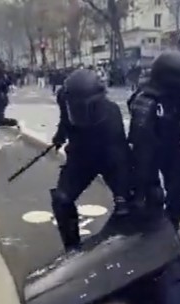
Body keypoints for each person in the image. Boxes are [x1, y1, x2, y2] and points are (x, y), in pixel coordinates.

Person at [50, 69, 132, 250]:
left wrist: (121, 196)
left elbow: (119, 158)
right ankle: (71, 249)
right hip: (81, 157)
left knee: (130, 204)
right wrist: (60, 136)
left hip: (107, 158)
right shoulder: (65, 98)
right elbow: (65, 119)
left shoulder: (111, 115)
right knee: (61, 200)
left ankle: (119, 245)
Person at [127, 50, 180, 227]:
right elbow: (141, 152)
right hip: (153, 151)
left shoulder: (177, 96)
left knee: (176, 196)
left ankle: (171, 234)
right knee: (152, 198)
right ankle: (153, 239)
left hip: (172, 148)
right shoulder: (148, 102)